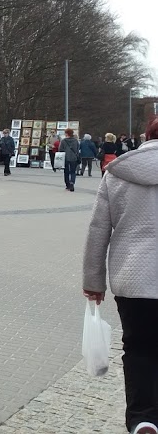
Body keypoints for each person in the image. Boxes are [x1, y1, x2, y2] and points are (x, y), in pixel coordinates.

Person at [83, 116, 158, 434]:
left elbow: (99, 229)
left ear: (146, 135)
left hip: (133, 278)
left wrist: (93, 281)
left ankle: (143, 418)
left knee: (139, 349)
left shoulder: (117, 174)